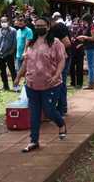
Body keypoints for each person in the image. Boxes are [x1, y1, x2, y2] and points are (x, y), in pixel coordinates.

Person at [14, 17, 67, 153]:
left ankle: (61, 123)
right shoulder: (31, 43)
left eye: (42, 25)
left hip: (50, 84)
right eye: (36, 26)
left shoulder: (55, 43)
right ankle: (33, 141)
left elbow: (61, 61)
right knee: (34, 114)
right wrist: (18, 76)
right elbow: (26, 62)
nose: (39, 28)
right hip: (31, 84)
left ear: (48, 27)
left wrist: (56, 75)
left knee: (49, 110)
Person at [50, 13, 71, 115]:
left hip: (63, 58)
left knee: (61, 82)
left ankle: (62, 108)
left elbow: (67, 43)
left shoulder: (58, 27)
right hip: (56, 59)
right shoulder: (52, 29)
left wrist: (58, 52)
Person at [0, 16, 17, 91]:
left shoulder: (13, 31)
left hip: (9, 54)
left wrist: (11, 52)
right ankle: (5, 86)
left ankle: (16, 86)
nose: (3, 23)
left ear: (8, 22)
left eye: (5, 21)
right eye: (2, 22)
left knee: (12, 70)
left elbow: (14, 43)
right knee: (2, 71)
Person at [78, 13, 94, 89]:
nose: (83, 23)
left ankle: (91, 83)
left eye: (84, 21)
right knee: (92, 65)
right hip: (90, 47)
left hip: (91, 48)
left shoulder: (92, 26)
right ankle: (92, 80)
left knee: (90, 66)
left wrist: (84, 37)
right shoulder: (90, 26)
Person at [69, 18, 86, 88]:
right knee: (71, 67)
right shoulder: (70, 31)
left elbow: (85, 40)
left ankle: (79, 83)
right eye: (74, 23)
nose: (75, 25)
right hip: (72, 51)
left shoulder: (82, 30)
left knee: (79, 67)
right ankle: (73, 82)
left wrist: (81, 44)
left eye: (76, 23)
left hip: (80, 51)